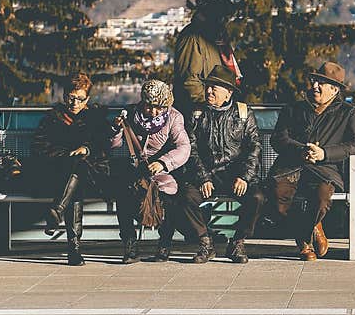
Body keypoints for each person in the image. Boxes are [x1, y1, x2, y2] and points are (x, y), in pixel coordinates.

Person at [268, 62, 355, 261]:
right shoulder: (294, 109)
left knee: (321, 200)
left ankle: (304, 243)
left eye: (322, 83)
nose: (315, 86)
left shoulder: (348, 113)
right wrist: (300, 150)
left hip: (325, 170)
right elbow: (278, 138)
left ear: (334, 89)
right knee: (278, 201)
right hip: (291, 167)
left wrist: (323, 154)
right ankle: (312, 230)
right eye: (315, 81)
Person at [109, 79, 199, 264]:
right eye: (150, 106)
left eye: (159, 107)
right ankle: (130, 244)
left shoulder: (174, 117)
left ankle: (164, 243)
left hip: (164, 170)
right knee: (123, 195)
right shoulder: (130, 114)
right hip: (136, 169)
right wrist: (116, 130)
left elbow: (184, 147)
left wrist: (163, 163)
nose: (154, 112)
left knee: (168, 196)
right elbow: (114, 146)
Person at [184, 64, 264, 264]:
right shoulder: (197, 114)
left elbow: (254, 148)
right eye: (208, 86)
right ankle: (205, 241)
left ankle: (237, 242)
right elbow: (191, 149)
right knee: (185, 196)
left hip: (235, 175)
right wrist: (203, 177)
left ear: (228, 93)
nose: (209, 91)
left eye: (215, 88)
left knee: (257, 197)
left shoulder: (244, 113)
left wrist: (245, 177)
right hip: (207, 175)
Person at [30, 73, 112, 266]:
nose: (74, 103)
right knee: (76, 177)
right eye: (71, 97)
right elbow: (39, 147)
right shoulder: (53, 118)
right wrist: (66, 157)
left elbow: (104, 145)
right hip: (59, 174)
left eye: (80, 99)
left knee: (81, 164)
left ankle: (58, 211)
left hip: (93, 176)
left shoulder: (96, 118)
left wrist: (87, 149)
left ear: (87, 99)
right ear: (65, 95)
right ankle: (73, 249)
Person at [173, 0, 243, 118]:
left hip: (218, 109)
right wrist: (212, 102)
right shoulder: (193, 38)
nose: (226, 21)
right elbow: (190, 82)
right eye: (223, 16)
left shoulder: (217, 38)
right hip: (200, 113)